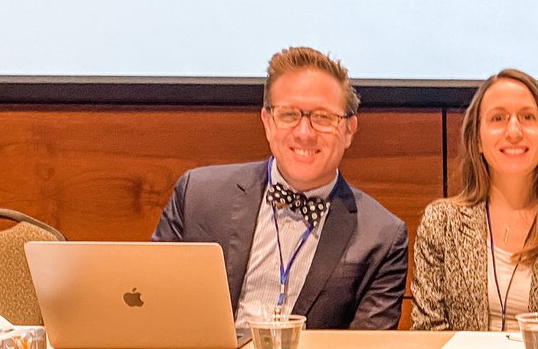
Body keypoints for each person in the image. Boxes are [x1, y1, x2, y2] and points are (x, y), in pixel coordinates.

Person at [153, 46, 408, 330]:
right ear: (267, 122)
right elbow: (153, 309)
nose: (304, 132)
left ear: (349, 131)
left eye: (323, 117)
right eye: (289, 115)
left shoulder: (382, 237)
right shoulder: (198, 196)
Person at [410, 68, 538, 331]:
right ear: (478, 140)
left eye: (527, 117)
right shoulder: (440, 224)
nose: (514, 131)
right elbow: (427, 332)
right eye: (498, 118)